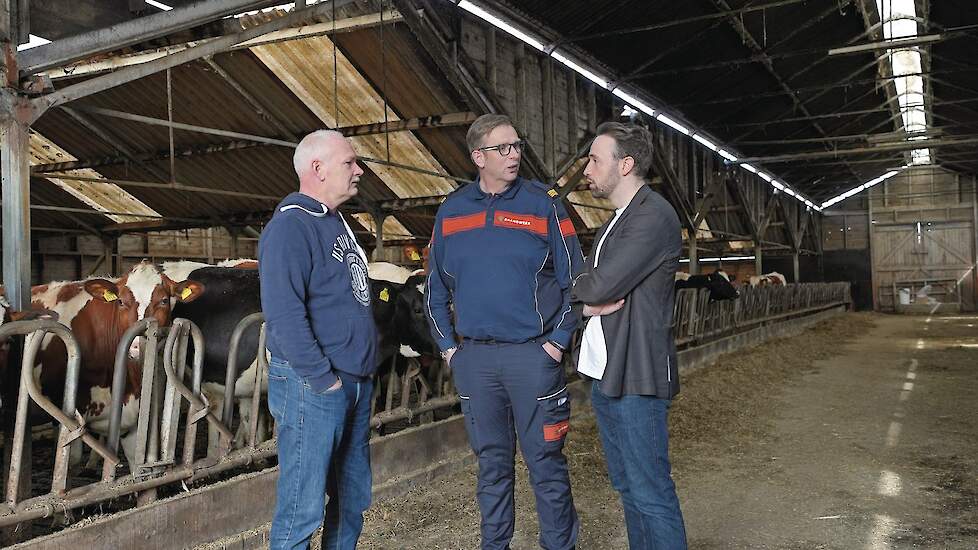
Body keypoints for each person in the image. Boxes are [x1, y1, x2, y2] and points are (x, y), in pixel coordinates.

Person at [425, 114, 584, 550]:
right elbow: (434, 289)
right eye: (503, 148)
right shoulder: (451, 211)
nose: (514, 155)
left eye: (517, 146)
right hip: (476, 360)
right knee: (492, 466)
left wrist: (557, 343)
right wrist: (449, 350)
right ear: (478, 157)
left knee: (545, 464)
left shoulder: (543, 204)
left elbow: (576, 280)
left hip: (532, 356)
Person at [259, 130, 377, 550]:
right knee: (302, 507)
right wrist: (323, 380)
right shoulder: (290, 227)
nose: (358, 170)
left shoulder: (335, 222)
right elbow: (284, 316)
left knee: (352, 497)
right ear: (318, 168)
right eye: (349, 162)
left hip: (354, 381)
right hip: (315, 385)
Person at [572, 122, 688, 549]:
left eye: (594, 160)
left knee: (650, 492)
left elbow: (599, 285)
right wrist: (585, 298)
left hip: (638, 374)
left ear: (625, 164)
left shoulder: (653, 215)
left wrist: (582, 293)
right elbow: (587, 283)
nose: (587, 169)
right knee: (628, 487)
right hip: (609, 373)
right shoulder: (616, 221)